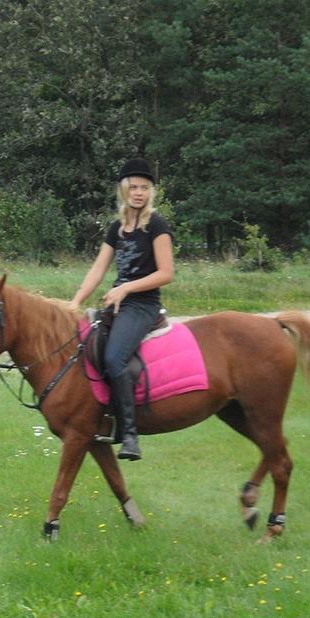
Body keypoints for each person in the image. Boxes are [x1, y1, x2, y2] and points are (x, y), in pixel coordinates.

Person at [67, 158, 174, 461]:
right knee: (88, 348)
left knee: (114, 357)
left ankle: (129, 434)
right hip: (117, 303)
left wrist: (126, 287)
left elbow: (166, 272)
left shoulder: (156, 224)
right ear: (124, 190)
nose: (139, 192)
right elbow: (98, 270)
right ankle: (101, 416)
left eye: (144, 187)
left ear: (150, 192)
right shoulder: (116, 228)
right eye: (133, 187)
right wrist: (76, 301)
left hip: (143, 305)